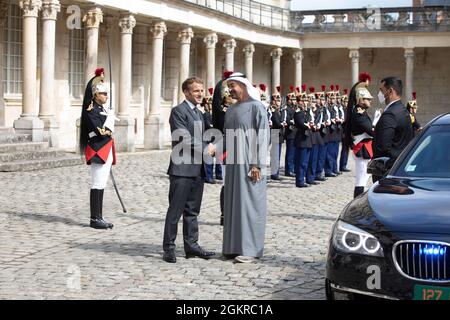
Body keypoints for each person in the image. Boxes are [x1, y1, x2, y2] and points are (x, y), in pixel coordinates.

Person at [162, 76, 216, 263]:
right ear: (186, 92)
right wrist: (206, 147)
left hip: (196, 169)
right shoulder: (179, 111)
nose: (200, 93)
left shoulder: (199, 113)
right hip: (181, 169)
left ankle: (191, 246)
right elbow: (183, 138)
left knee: (193, 211)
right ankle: (169, 248)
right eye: (196, 90)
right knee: (175, 211)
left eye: (201, 90)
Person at [222, 73, 269, 263]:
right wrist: (212, 148)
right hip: (233, 164)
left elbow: (263, 136)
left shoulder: (257, 107)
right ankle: (233, 247)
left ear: (243, 85)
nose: (231, 89)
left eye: (234, 85)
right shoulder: (231, 109)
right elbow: (227, 137)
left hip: (251, 164)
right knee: (233, 204)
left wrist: (257, 163)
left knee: (251, 205)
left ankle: (251, 250)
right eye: (229, 86)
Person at [79, 68, 116, 230]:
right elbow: (101, 132)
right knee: (97, 183)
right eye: (103, 94)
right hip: (97, 148)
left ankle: (99, 216)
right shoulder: (91, 111)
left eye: (106, 94)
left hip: (106, 149)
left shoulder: (102, 110)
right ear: (95, 95)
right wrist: (110, 121)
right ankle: (95, 219)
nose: (106, 96)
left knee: (102, 183)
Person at [372, 77, 414, 182]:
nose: (380, 93)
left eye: (381, 90)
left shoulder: (390, 114)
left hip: (387, 170)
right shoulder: (403, 110)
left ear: (390, 91)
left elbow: (382, 146)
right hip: (401, 166)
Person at [351, 87, 375, 198]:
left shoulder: (361, 112)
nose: (370, 101)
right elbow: (370, 130)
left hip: (365, 146)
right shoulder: (358, 114)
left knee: (364, 177)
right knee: (361, 179)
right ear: (361, 100)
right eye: (367, 99)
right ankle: (356, 205)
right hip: (361, 148)